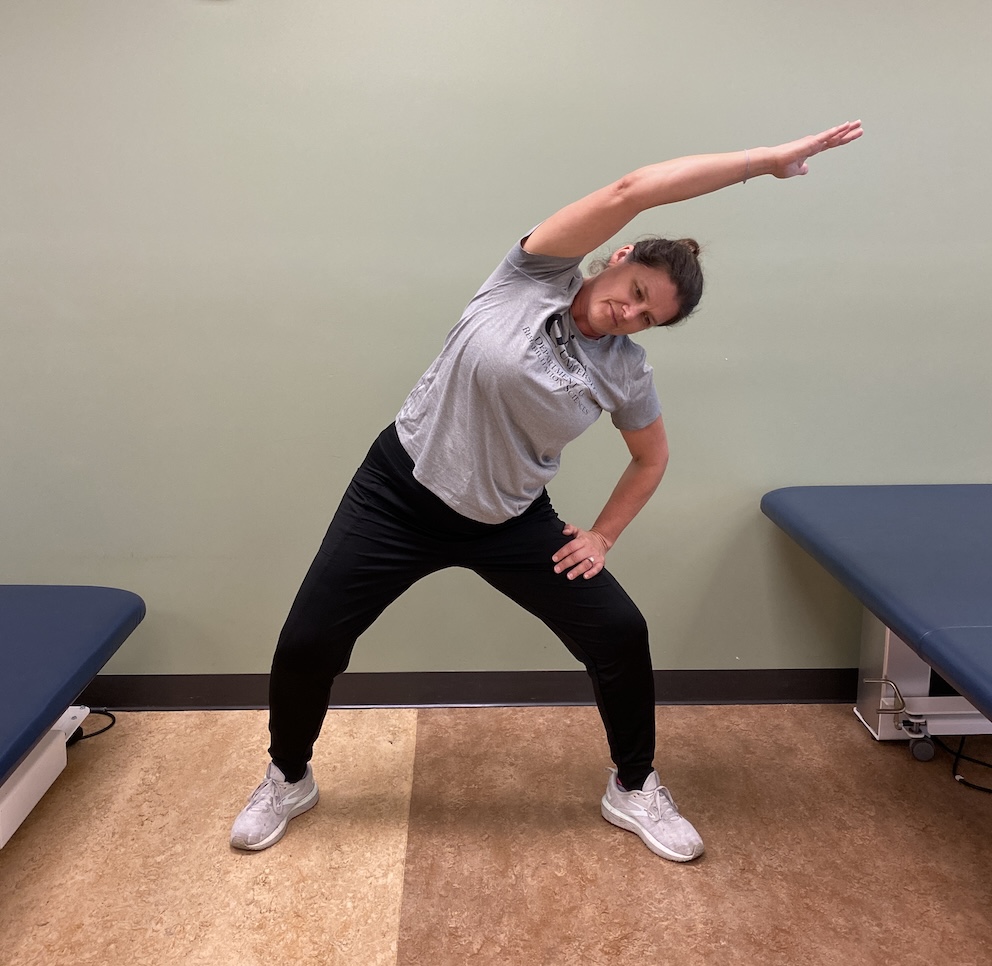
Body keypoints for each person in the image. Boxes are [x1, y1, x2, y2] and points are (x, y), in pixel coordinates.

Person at [230, 120, 863, 862]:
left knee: (620, 633)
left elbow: (650, 460)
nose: (627, 314)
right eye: (632, 293)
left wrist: (602, 536)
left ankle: (633, 786)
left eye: (648, 317)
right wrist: (764, 162)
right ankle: (289, 775)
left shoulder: (625, 370)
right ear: (617, 258)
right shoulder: (532, 276)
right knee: (310, 640)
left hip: (509, 519)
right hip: (398, 494)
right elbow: (635, 188)